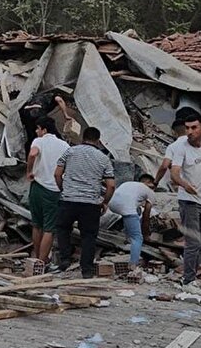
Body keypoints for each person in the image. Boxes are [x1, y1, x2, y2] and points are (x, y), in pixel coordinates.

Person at [53, 127, 116, 278]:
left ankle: (65, 259)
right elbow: (111, 185)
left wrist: (63, 189)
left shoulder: (70, 152)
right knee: (89, 236)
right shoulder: (103, 158)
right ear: (98, 141)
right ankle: (86, 270)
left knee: (62, 228)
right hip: (91, 203)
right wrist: (105, 202)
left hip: (69, 200)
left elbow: (57, 174)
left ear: (83, 138)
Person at [169, 112, 201, 289]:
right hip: (188, 200)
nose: (190, 132)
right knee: (193, 242)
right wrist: (185, 185)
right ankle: (188, 280)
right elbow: (174, 173)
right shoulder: (181, 147)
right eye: (187, 128)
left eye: (194, 128)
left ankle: (188, 270)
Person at [26, 117, 69, 266]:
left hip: (38, 187)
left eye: (38, 128)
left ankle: (37, 258)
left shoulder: (39, 141)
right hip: (54, 189)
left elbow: (33, 154)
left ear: (44, 130)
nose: (36, 131)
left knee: (37, 225)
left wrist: (29, 171)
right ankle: (42, 260)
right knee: (49, 228)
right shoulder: (64, 145)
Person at [108, 173, 156, 271]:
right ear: (150, 183)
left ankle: (127, 238)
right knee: (137, 238)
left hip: (112, 204)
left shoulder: (129, 183)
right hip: (126, 207)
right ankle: (133, 265)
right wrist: (146, 234)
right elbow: (146, 214)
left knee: (135, 211)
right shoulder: (150, 192)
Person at [153, 119, 188, 188]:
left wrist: (155, 182)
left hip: (186, 187)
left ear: (173, 132)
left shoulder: (173, 146)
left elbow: (164, 166)